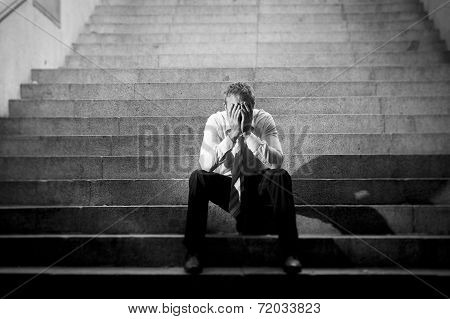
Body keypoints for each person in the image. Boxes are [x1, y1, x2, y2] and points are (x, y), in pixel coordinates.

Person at [183, 82, 302, 274]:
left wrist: (248, 133)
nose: (239, 111)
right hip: (227, 187)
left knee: (280, 176)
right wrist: (232, 136)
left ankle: (291, 253)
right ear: (225, 107)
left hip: (257, 187)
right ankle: (193, 253)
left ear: (252, 107)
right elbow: (205, 165)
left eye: (244, 107)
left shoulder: (263, 119)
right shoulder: (215, 121)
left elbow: (277, 162)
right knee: (198, 177)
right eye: (234, 107)